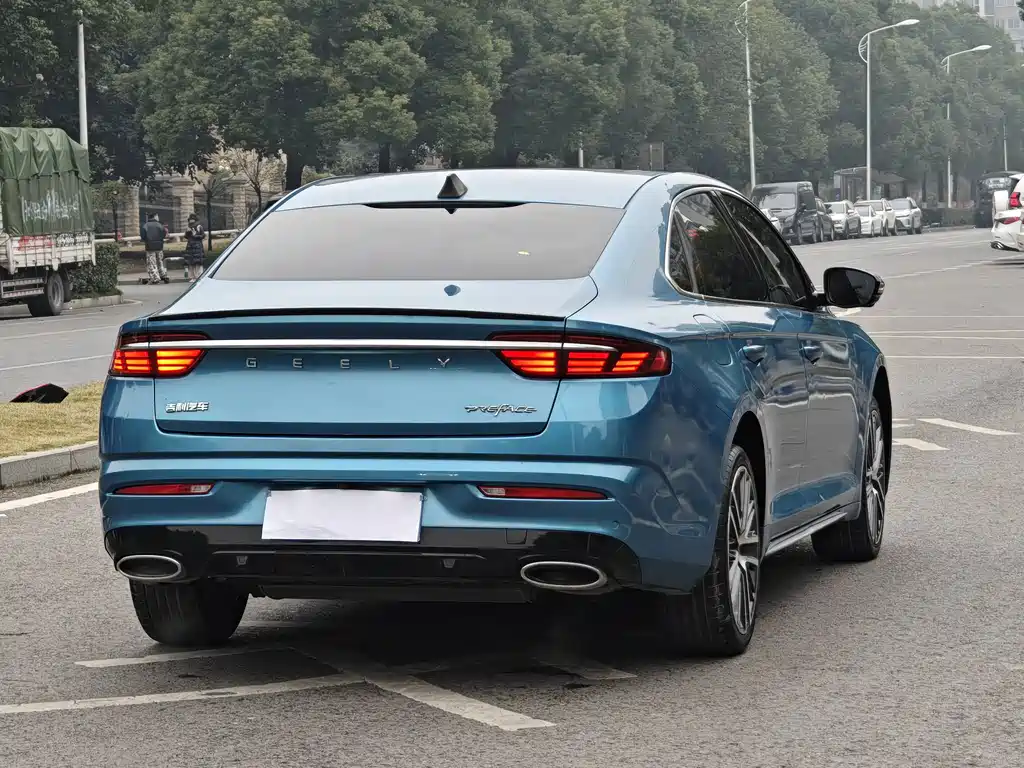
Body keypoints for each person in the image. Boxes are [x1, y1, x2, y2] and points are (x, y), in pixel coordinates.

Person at [140, 213, 169, 284]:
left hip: (150, 246)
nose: (158, 218)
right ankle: (163, 275)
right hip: (159, 246)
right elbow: (164, 234)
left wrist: (147, 240)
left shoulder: (146, 225)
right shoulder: (160, 225)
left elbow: (143, 236)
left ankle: (155, 277)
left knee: (152, 262)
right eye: (157, 216)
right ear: (155, 217)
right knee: (160, 261)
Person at [183, 214, 206, 282]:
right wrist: (187, 232)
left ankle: (198, 276)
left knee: (197, 262)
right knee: (191, 262)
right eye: (190, 219)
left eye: (192, 219)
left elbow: (203, 235)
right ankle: (193, 277)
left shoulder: (199, 226)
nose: (191, 221)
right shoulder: (189, 227)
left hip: (197, 246)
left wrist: (195, 235)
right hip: (190, 246)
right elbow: (186, 237)